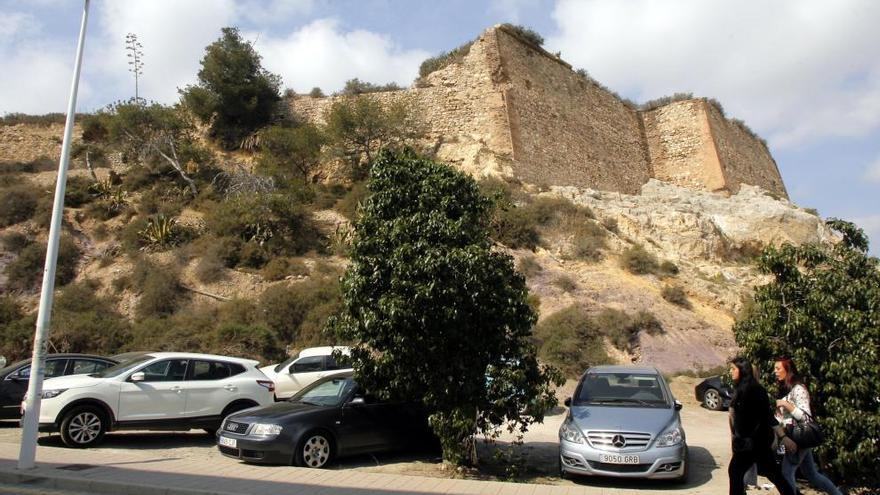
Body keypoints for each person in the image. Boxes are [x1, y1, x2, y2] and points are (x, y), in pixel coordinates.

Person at [773, 357, 842, 495]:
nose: (775, 372)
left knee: (786, 473)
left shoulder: (798, 389)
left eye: (778, 368)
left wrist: (786, 405)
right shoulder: (785, 389)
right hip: (794, 437)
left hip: (799, 437)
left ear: (788, 370)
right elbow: (781, 418)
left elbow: (805, 417)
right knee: (811, 474)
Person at [728, 356, 795, 495]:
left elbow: (768, 415)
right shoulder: (740, 389)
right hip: (750, 443)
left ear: (742, 370)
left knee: (735, 471)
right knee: (773, 474)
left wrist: (783, 437)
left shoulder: (755, 390)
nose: (731, 372)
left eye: (733, 369)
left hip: (756, 442)